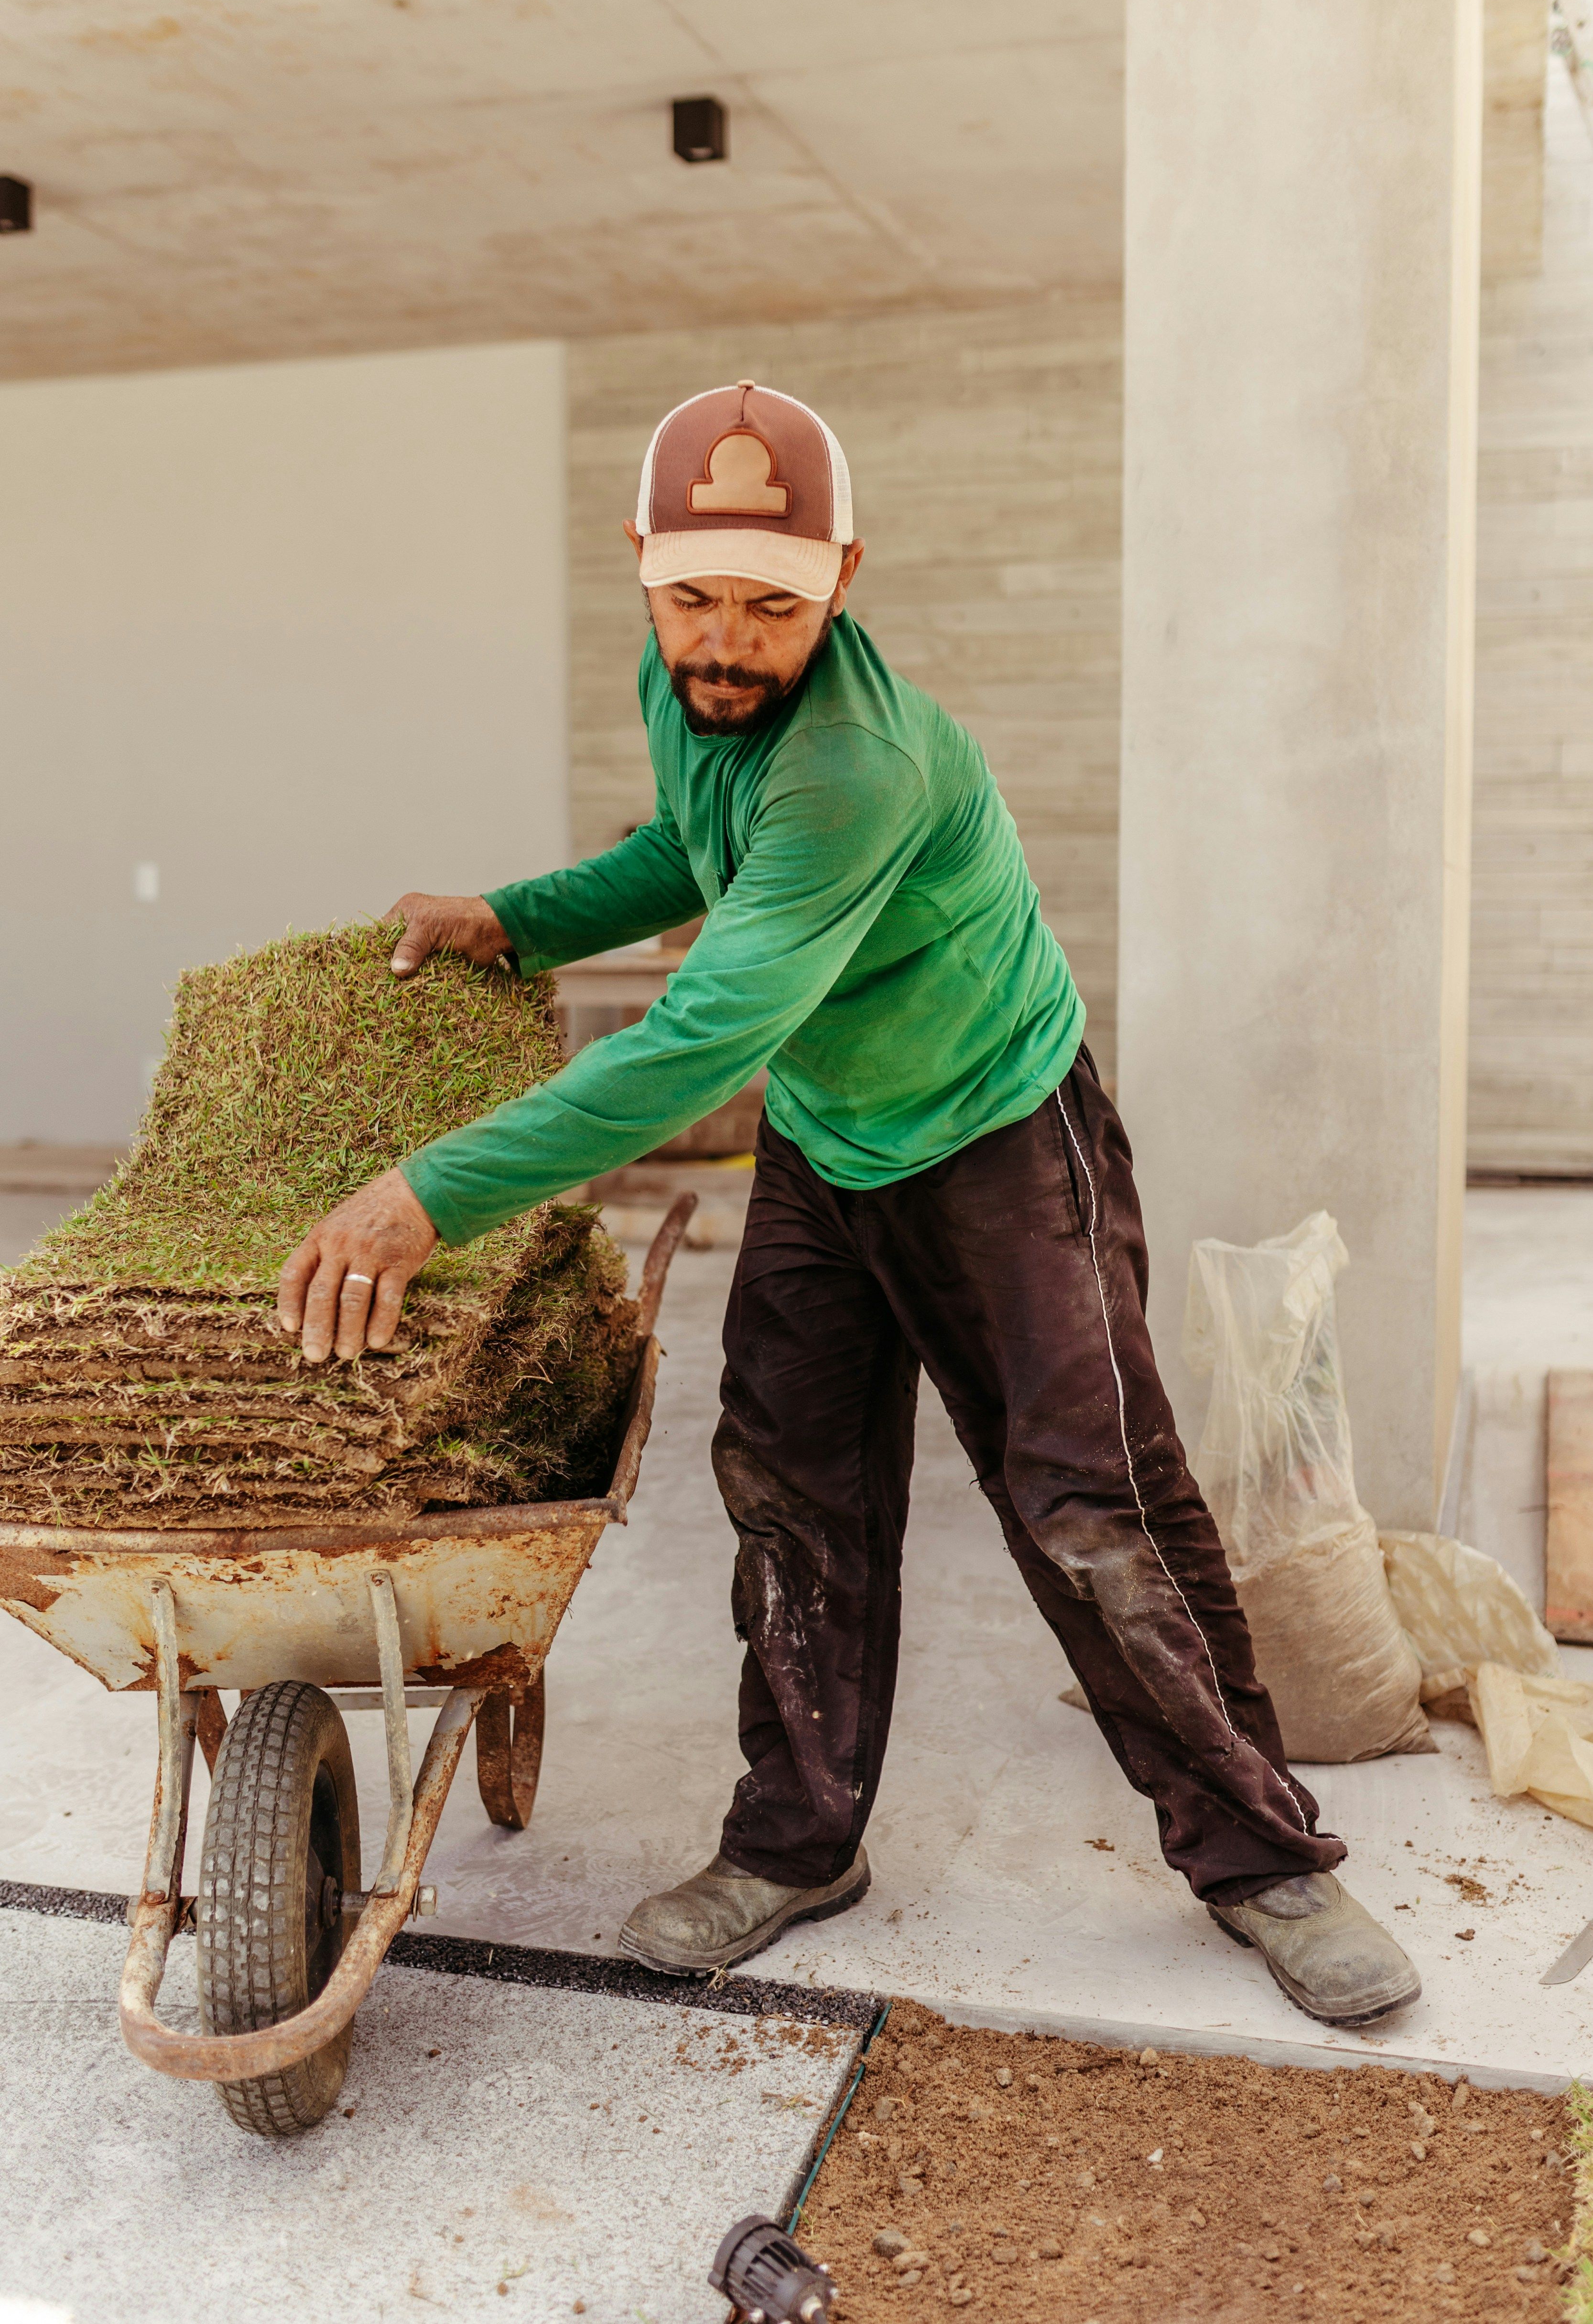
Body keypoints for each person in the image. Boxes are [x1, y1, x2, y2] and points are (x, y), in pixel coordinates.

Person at [277, 380, 1420, 2030]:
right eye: (696, 600)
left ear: (845, 577)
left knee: (1097, 1508)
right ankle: (799, 1841)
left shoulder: (862, 768)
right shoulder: (702, 695)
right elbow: (692, 844)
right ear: (643, 568)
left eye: (772, 607)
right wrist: (514, 918)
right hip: (829, 1142)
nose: (728, 643)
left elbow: (702, 1038)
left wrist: (423, 1196)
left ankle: (1264, 1861)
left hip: (1003, 1142)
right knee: (789, 1487)